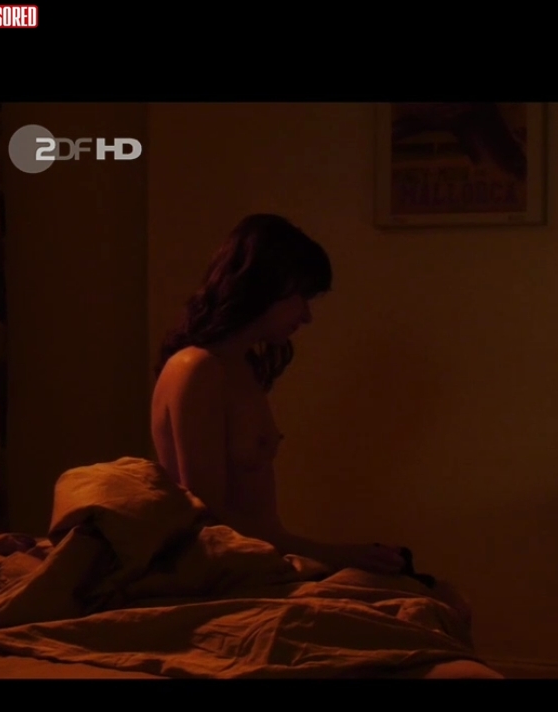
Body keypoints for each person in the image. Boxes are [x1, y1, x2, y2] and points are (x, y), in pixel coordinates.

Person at [150, 213, 409, 575]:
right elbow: (208, 520)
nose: (306, 316)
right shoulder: (197, 369)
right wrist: (334, 555)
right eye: (300, 296)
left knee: (420, 587)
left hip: (263, 561)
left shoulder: (241, 368)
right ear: (264, 287)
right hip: (225, 569)